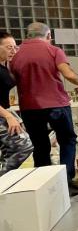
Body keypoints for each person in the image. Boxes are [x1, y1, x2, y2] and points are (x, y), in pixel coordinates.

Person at [11, 22, 78, 197]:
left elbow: (11, 78)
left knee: (40, 144)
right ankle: (65, 182)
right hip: (56, 104)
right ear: (48, 36)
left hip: (29, 107)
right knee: (67, 140)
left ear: (27, 35)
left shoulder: (16, 53)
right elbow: (69, 74)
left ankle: (42, 185)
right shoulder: (54, 50)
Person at [0, 31, 33, 177]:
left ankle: (7, 191)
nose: (13, 51)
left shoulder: (5, 65)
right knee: (23, 147)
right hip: (3, 114)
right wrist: (9, 116)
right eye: (9, 47)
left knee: (9, 149)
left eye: (15, 47)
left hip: (4, 111)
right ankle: (4, 180)